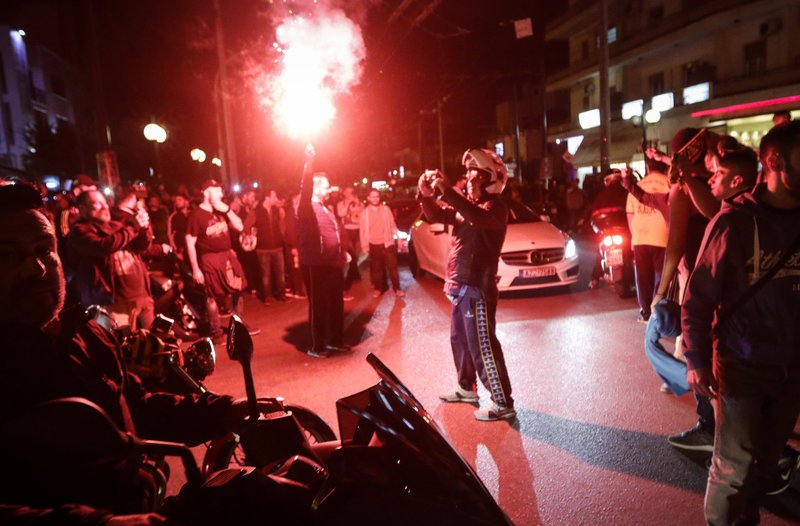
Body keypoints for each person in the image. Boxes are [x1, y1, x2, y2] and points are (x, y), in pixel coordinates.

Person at [0, 181, 250, 524]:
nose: (37, 268)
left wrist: (227, 410)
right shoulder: (85, 237)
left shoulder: (85, 334)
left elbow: (136, 406)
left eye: (44, 249)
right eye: (8, 256)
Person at [682, 120, 800, 525]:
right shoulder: (732, 223)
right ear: (774, 161)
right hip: (742, 364)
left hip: (791, 368)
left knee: (765, 466)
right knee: (733, 467)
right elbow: (697, 299)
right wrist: (695, 358)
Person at [418, 148, 515, 422]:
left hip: (477, 288)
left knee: (482, 346)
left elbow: (476, 217)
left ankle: (503, 402)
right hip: (459, 286)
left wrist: (449, 191)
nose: (469, 178)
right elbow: (435, 215)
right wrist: (426, 194)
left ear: (490, 179)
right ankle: (466, 388)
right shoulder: (466, 208)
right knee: (459, 341)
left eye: (475, 174)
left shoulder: (495, 208)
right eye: (468, 173)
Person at [67, 189, 163, 330]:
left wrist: (143, 228)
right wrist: (132, 227)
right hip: (114, 303)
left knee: (152, 345)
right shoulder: (79, 231)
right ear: (82, 209)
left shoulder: (116, 225)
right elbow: (104, 245)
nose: (104, 206)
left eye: (104, 201)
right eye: (96, 203)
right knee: (121, 347)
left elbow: (141, 246)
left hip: (142, 297)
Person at [185, 179, 257, 342]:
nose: (220, 193)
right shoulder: (196, 215)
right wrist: (196, 268)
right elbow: (190, 242)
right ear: (205, 192)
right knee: (212, 296)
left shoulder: (221, 211)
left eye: (220, 190)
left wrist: (227, 210)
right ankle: (215, 330)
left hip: (227, 256)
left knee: (239, 288)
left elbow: (240, 227)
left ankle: (239, 324)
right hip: (209, 259)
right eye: (216, 189)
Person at [296, 146, 349, 358]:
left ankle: (335, 340)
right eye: (326, 187)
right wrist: (309, 162)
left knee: (336, 303)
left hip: (332, 263)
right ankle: (317, 346)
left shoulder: (326, 208)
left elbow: (334, 233)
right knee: (319, 306)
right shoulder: (306, 206)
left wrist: (342, 252)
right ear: (316, 187)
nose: (329, 190)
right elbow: (305, 187)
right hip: (316, 265)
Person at [626, 158, 669, 322]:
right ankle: (659, 312)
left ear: (648, 167)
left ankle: (646, 313)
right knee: (662, 276)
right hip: (663, 236)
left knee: (643, 278)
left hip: (640, 237)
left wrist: (635, 235)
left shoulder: (637, 187)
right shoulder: (669, 183)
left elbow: (630, 215)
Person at [246, 189, 288, 303]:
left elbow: (282, 224)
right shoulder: (256, 211)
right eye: (274, 196)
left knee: (281, 274)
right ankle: (268, 297)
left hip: (277, 246)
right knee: (266, 275)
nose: (276, 199)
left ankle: (282, 295)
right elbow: (247, 226)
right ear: (267, 198)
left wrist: (281, 210)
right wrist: (254, 237)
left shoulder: (276, 210)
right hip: (263, 248)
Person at [360, 189, 403, 298]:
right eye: (373, 196)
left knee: (393, 268)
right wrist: (364, 245)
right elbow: (363, 231)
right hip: (373, 244)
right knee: (377, 270)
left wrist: (399, 238)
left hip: (387, 243)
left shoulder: (386, 210)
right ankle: (379, 289)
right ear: (368, 198)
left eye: (377, 196)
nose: (375, 199)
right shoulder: (365, 213)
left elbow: (393, 225)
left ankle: (397, 288)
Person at [336, 185, 363, 291]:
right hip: (347, 230)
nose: (350, 194)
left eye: (351, 192)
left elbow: (363, 213)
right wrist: (347, 203)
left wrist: (358, 202)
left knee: (356, 254)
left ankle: (355, 276)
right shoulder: (340, 204)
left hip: (358, 229)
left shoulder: (357, 202)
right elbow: (340, 213)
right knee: (352, 254)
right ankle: (352, 278)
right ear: (344, 193)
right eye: (347, 192)